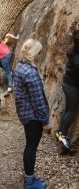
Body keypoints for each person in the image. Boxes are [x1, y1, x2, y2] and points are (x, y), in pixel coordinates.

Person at [14, 39, 49, 189]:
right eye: (39, 52)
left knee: (29, 145)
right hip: (33, 117)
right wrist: (45, 121)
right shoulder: (31, 73)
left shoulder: (20, 66)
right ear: (34, 53)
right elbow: (38, 101)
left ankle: (29, 177)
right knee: (31, 147)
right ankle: (29, 183)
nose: (41, 54)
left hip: (24, 113)